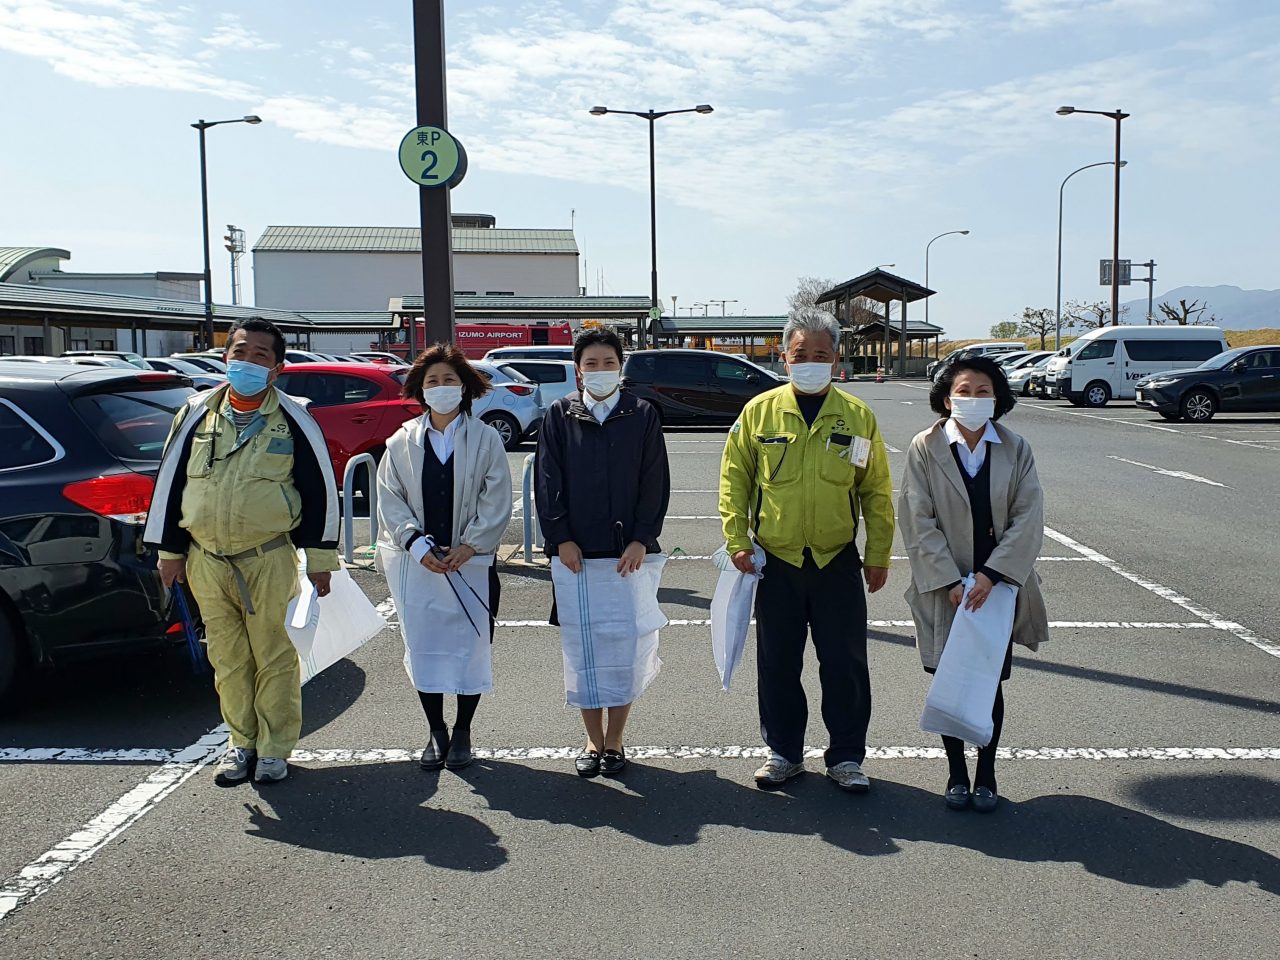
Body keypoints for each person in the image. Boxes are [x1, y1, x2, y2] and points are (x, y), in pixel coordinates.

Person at [145, 317, 340, 785]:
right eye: (240, 352)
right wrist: (169, 552)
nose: (247, 362)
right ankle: (241, 745)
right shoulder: (195, 413)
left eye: (260, 356)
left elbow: (319, 491)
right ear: (224, 357)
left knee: (273, 657)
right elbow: (171, 484)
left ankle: (274, 749)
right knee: (228, 660)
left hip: (267, 557)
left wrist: (320, 560)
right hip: (205, 558)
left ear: (277, 368)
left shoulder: (294, 418)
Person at [719, 307, 895, 792]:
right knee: (777, 662)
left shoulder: (857, 417)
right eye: (802, 354)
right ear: (784, 357)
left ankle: (846, 757)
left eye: (821, 354)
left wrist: (877, 553)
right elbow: (734, 478)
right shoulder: (759, 412)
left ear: (837, 358)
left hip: (836, 559)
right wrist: (737, 540)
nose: (811, 362)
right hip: (776, 562)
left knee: (845, 662)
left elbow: (875, 490)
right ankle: (783, 752)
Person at [898, 356, 1049, 813]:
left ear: (998, 399)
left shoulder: (1015, 447)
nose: (974, 398)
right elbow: (916, 518)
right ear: (947, 399)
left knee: (987, 682)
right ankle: (955, 773)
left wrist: (991, 575)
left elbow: (1029, 516)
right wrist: (949, 579)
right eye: (964, 390)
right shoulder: (925, 447)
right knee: (949, 678)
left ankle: (986, 772)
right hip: (946, 586)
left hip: (996, 588)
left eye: (985, 391)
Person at [535, 328, 670, 778]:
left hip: (626, 554)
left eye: (608, 363)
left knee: (625, 647)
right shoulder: (559, 414)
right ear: (577, 372)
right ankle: (591, 741)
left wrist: (641, 536)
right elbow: (548, 480)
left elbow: (654, 481)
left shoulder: (642, 414)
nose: (599, 371)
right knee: (583, 649)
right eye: (590, 364)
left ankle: (615, 742)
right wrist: (561, 537)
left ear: (620, 367)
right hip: (576, 555)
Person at [377, 343, 512, 771]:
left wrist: (472, 544)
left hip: (470, 562)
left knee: (471, 646)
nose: (441, 387)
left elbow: (498, 497)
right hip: (421, 563)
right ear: (420, 389)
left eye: (449, 380)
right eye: (432, 381)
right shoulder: (401, 441)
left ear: (465, 387)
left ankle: (464, 731)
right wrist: (414, 542)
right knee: (425, 647)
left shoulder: (486, 437)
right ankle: (436, 731)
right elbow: (389, 498)